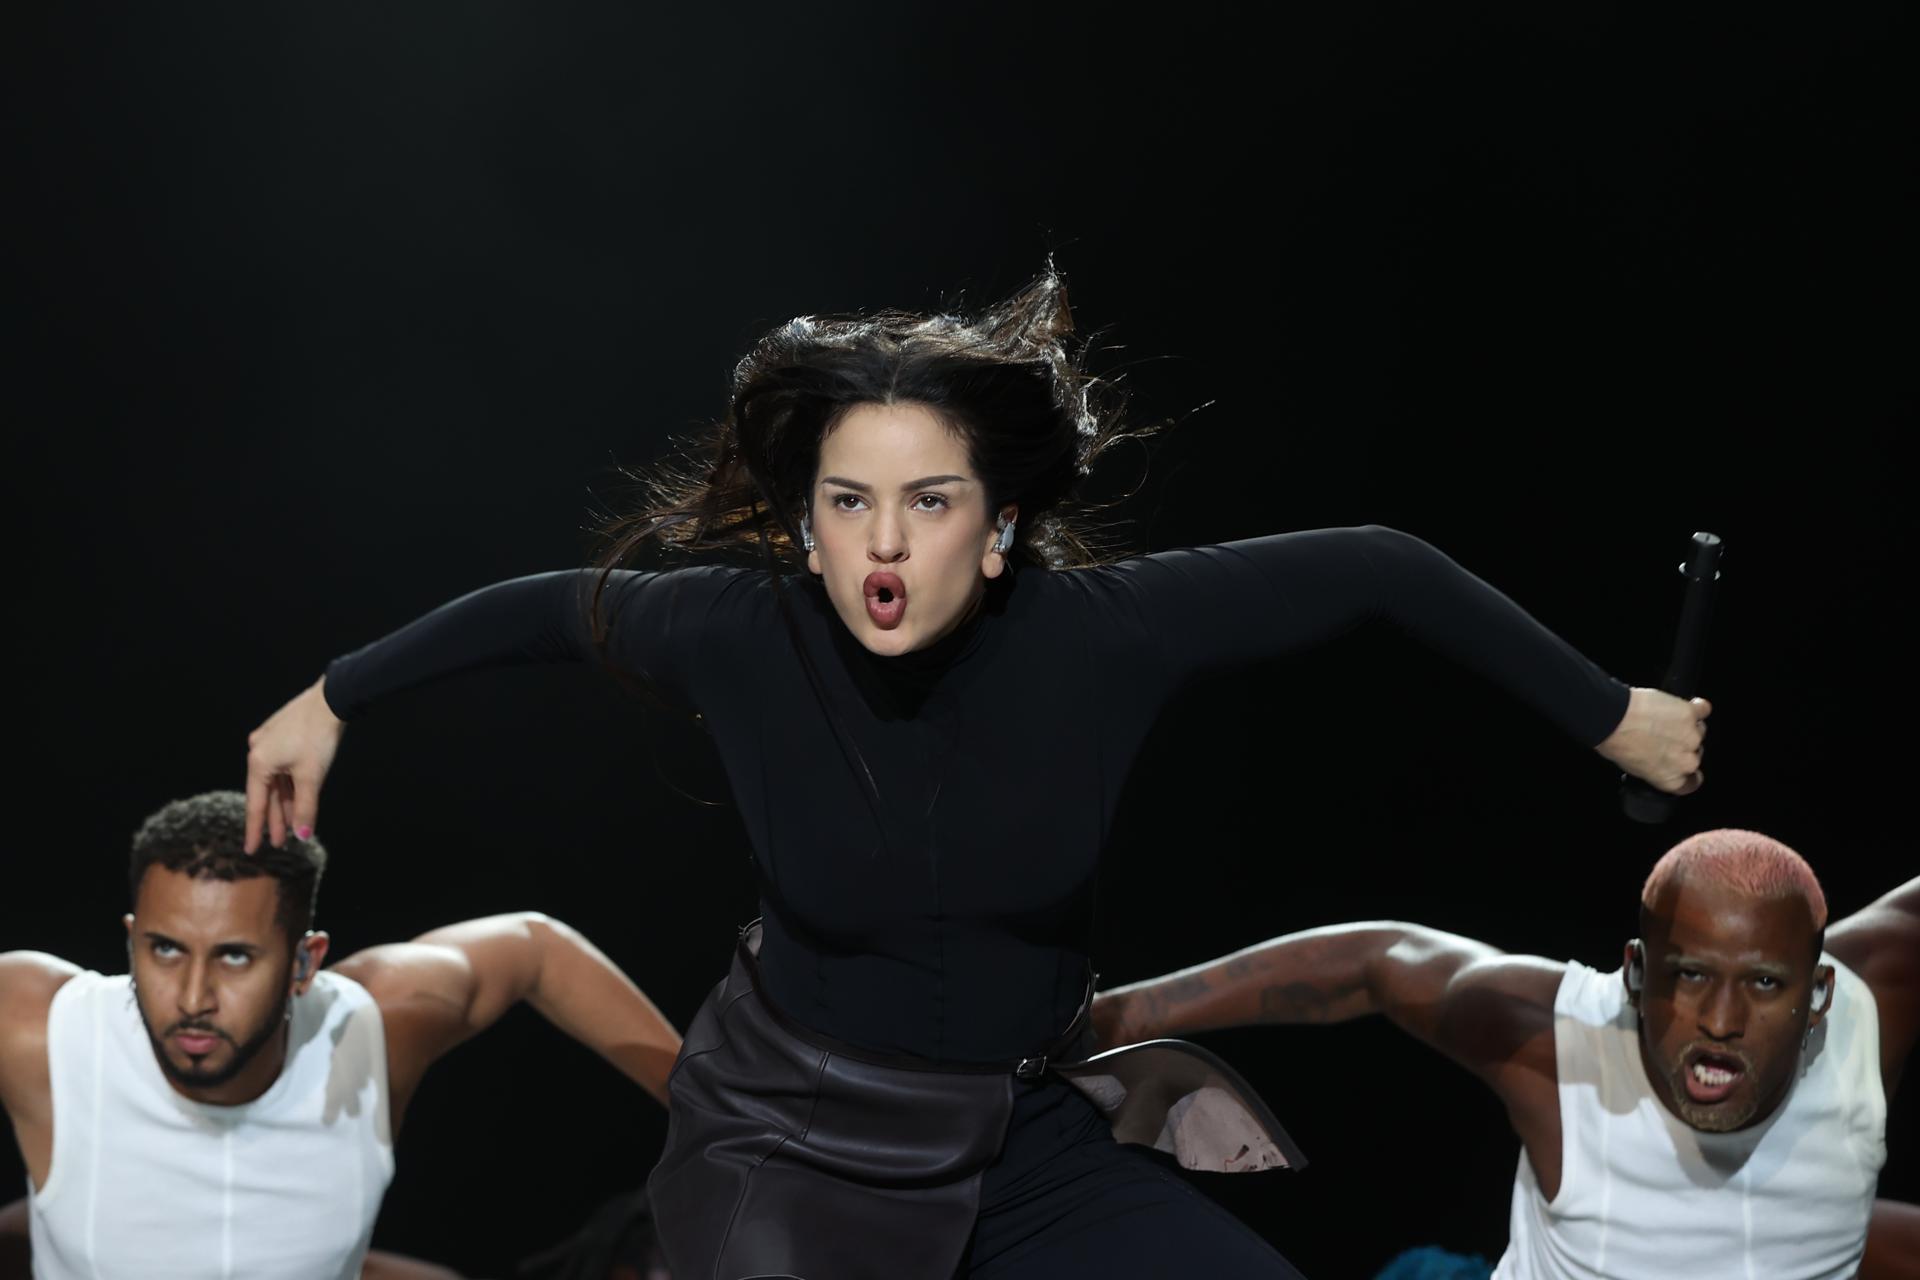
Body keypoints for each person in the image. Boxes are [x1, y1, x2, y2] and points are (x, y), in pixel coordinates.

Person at [242, 271, 1709, 1278]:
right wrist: (333, 697)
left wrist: (1611, 713)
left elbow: (1382, 570)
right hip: (792, 1158)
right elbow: (543, 610)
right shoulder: (739, 630)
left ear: (996, 528)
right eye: (848, 504)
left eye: (929, 503)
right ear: (807, 530)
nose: (884, 544)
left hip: (1023, 1140)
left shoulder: (1104, 637)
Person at [1090, 829, 1916, 1279]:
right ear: (1635, 974)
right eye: (1689, 976)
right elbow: (1377, 963)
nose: (1723, 1019)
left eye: (1765, 985)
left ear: (1820, 997)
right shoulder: (1564, 1042)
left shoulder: (1873, 1003)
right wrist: (1117, 1015)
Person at [0, 791, 680, 1279]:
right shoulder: (43, 1029)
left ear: (304, 962)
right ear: (131, 940)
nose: (192, 998)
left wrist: (725, 1117)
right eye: (166, 950)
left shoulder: (371, 1029)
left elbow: (534, 947)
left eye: (235, 956)